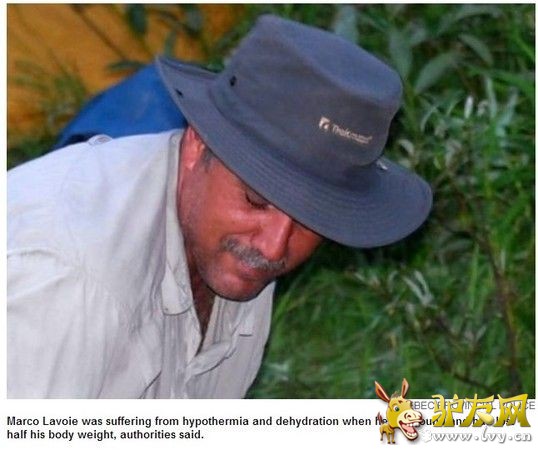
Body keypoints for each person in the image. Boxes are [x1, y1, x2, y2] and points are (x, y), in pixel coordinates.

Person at [7, 15, 432, 398]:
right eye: (255, 200)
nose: (274, 247)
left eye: (310, 220)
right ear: (198, 145)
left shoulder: (237, 251)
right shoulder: (64, 281)